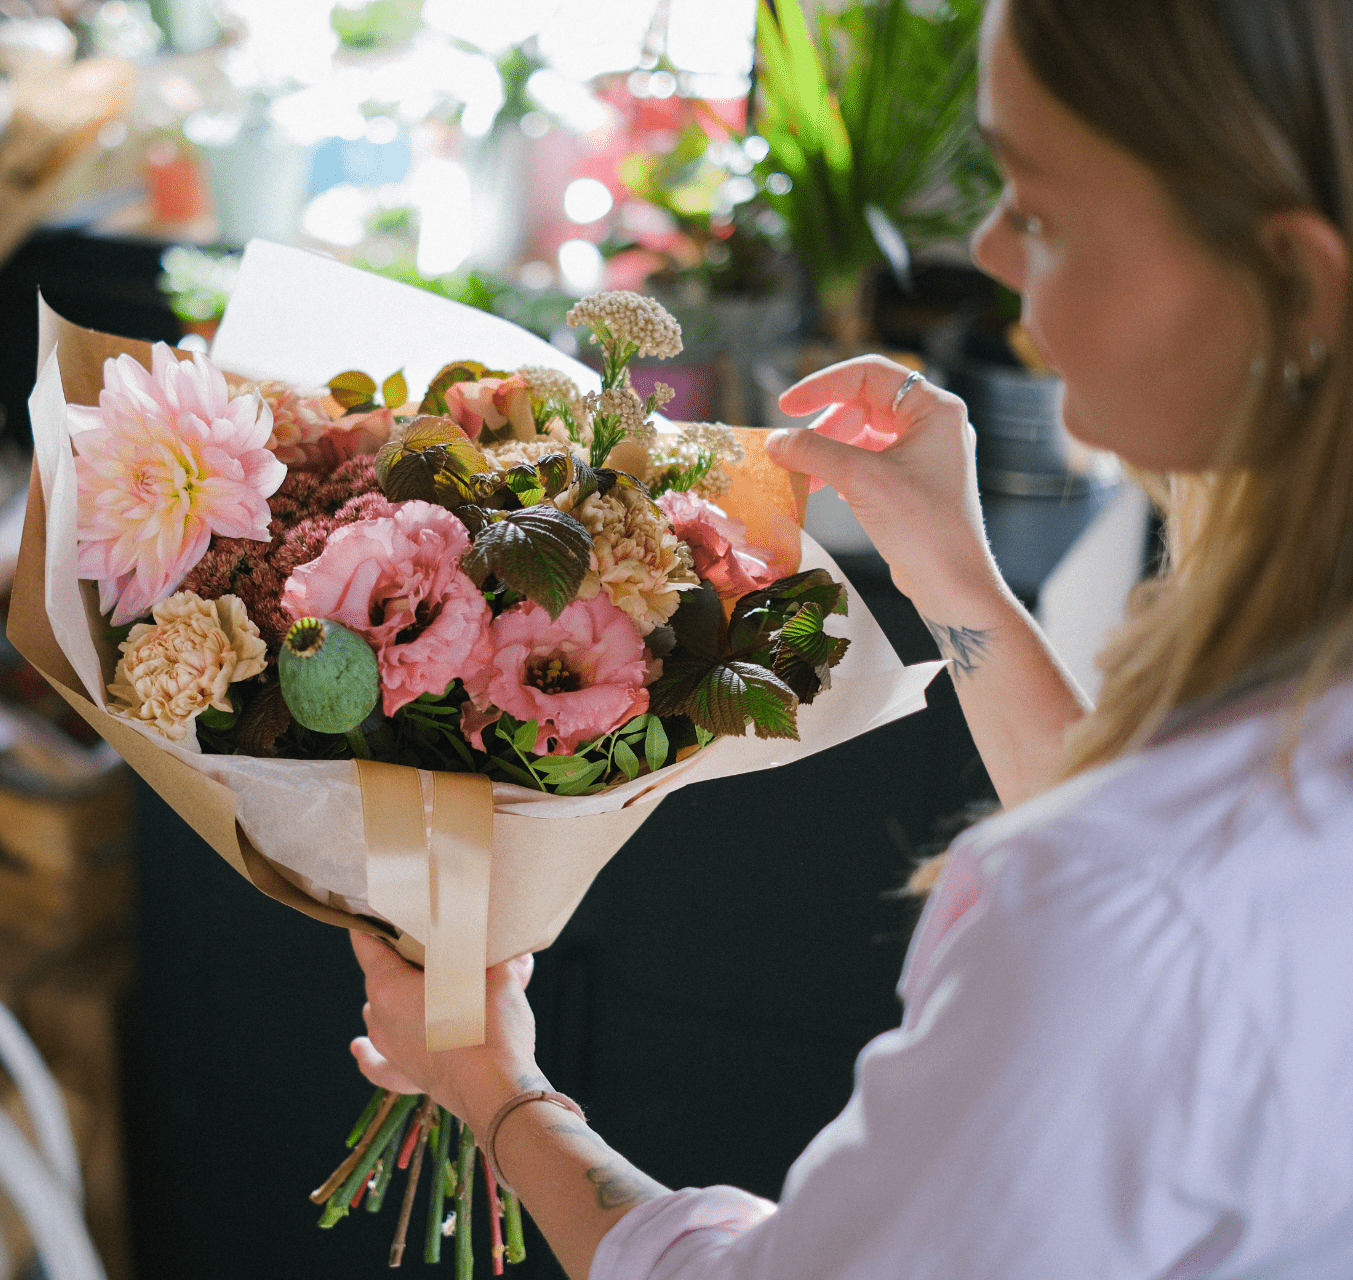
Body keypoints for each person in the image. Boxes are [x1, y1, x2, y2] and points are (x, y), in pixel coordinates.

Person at [347, 0, 1353, 1274]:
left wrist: (497, 1092)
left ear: (1295, 282)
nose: (988, 249)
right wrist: (951, 567)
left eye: (1038, 210)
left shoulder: (1107, 909)